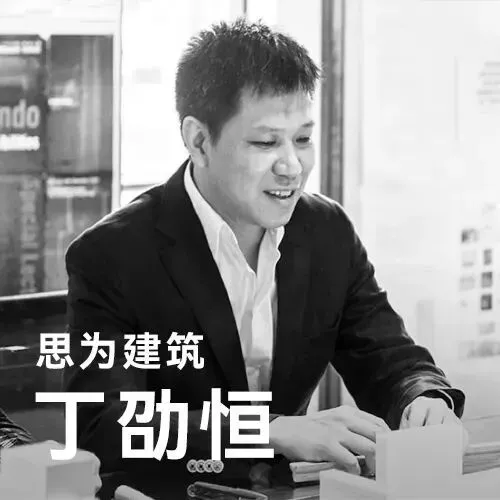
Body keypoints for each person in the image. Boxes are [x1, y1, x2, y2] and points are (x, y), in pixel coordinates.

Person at [64, 18, 466, 496]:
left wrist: (423, 398)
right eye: (265, 142)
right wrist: (266, 430)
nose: (292, 166)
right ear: (199, 141)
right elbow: (105, 424)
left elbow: (388, 356)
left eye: (303, 139)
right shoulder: (112, 254)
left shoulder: (326, 231)